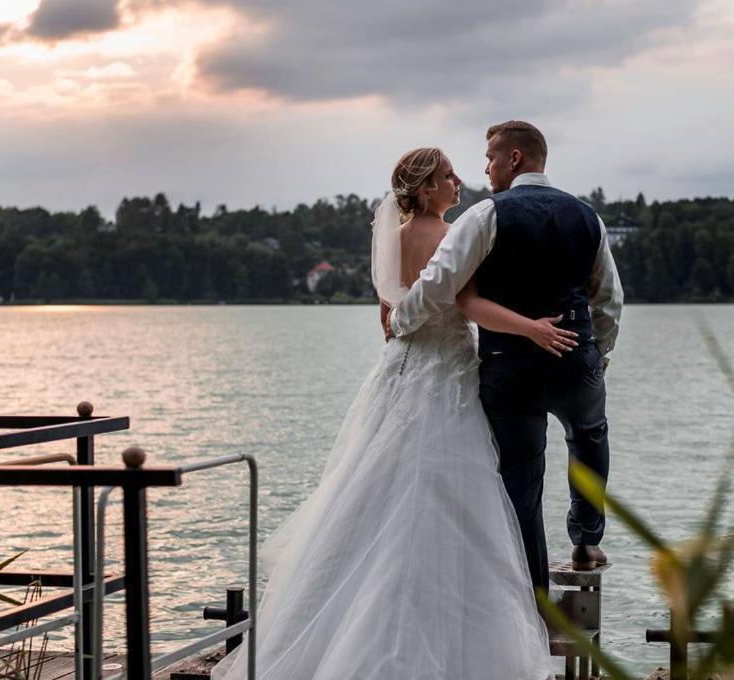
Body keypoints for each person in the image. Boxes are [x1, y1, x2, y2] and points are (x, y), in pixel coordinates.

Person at [212, 147, 570, 680]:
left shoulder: (396, 237)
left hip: (403, 370)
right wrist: (531, 327)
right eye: (448, 176)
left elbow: (390, 318)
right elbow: (467, 305)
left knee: (376, 488)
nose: (458, 182)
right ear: (426, 189)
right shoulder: (447, 235)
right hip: (445, 374)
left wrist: (417, 323)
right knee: (445, 496)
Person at [388, 121, 623, 594]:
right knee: (589, 437)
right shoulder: (587, 217)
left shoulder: (484, 215)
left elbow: (439, 284)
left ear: (514, 159)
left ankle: (530, 591)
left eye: (492, 158)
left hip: (509, 368)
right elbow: (608, 300)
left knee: (521, 476)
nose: (487, 168)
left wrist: (399, 321)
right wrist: (598, 354)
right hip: (575, 357)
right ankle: (585, 541)